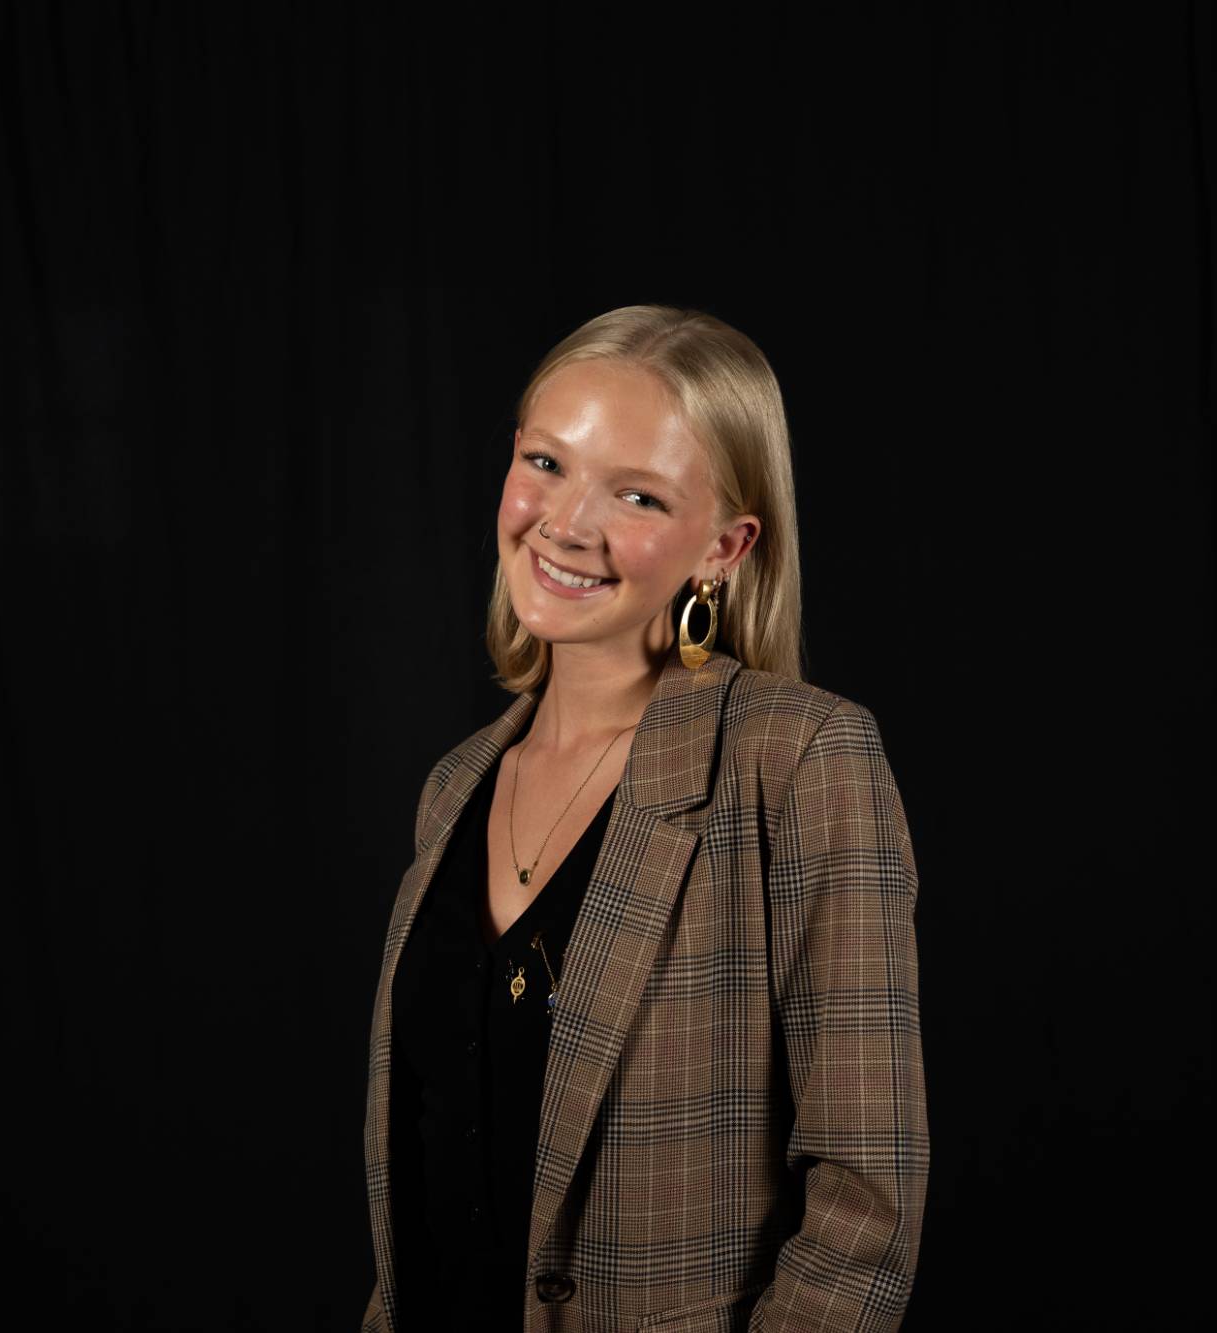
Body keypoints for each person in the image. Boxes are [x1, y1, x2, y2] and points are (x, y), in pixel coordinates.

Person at [360, 305, 927, 1331]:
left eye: (637, 494)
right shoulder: (454, 788)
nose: (566, 523)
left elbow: (863, 1204)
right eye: (546, 462)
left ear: (724, 546)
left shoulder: (796, 759)